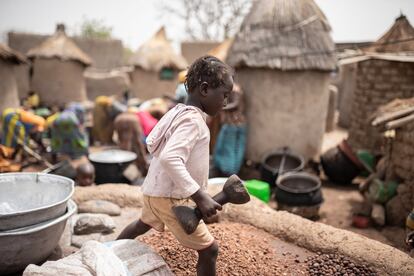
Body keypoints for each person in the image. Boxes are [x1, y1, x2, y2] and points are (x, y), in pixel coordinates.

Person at [117, 55, 234, 276]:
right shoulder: (193, 121)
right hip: (171, 198)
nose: (226, 102)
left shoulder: (175, 112)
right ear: (205, 89)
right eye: (224, 95)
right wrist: (199, 195)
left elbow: (152, 142)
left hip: (153, 192)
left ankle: (108, 253)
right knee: (210, 250)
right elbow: (171, 157)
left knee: (141, 224)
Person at [213, 83, 247, 176]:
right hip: (232, 123)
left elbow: (235, 104)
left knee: (230, 150)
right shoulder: (229, 89)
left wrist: (219, 107)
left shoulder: (235, 89)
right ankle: (228, 172)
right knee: (230, 149)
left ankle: (229, 173)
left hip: (234, 124)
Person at [114, 111, 149, 176]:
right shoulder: (134, 118)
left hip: (123, 149)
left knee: (124, 144)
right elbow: (140, 143)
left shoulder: (119, 118)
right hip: (133, 125)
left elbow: (119, 138)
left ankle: (123, 172)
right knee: (138, 145)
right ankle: (142, 170)